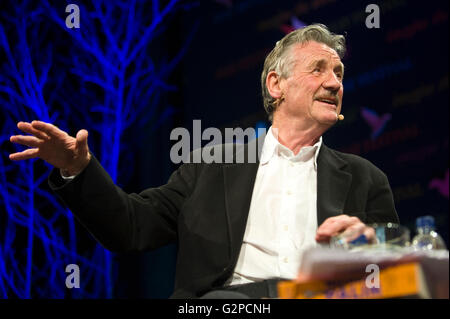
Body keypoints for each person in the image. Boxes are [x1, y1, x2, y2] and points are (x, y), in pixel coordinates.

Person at [9, 24, 399, 298]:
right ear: (276, 85)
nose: (334, 83)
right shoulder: (211, 166)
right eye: (319, 69)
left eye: (339, 73)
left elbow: (398, 281)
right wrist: (78, 169)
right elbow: (130, 226)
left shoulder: (366, 179)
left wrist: (371, 254)